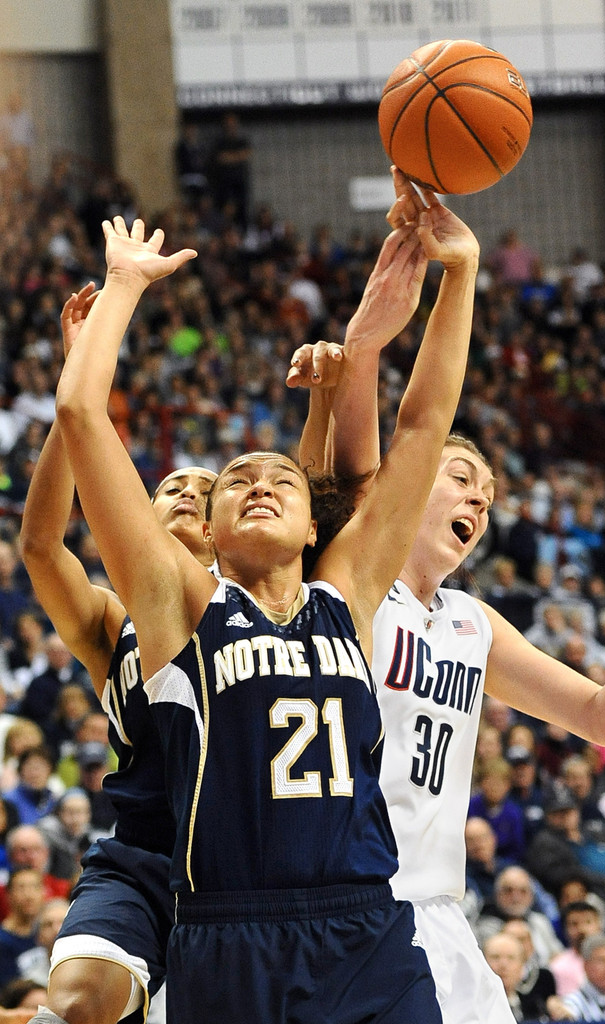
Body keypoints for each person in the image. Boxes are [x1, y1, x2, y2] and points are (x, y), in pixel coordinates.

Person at [53, 175, 479, 1024]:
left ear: (309, 515)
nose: (259, 481)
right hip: (229, 934)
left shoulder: (347, 593)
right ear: (206, 528)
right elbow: (80, 411)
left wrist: (457, 276)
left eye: (280, 475)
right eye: (237, 479)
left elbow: (425, 427)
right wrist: (125, 290)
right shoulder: (181, 607)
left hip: (365, 930)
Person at [290, 212, 605, 1024]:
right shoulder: (352, 579)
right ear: (405, 489)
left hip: (440, 916)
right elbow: (378, 443)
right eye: (461, 479)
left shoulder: (472, 624)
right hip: (344, 908)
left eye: (488, 497)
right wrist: (403, 314)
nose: (479, 500)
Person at [19, 283, 218, 1023]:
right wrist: (76, 397)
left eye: (208, 489)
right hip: (141, 856)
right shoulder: (113, 621)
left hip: (249, 864)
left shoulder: (258, 601)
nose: (190, 494)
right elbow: (40, 547)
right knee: (75, 1005)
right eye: (171, 486)